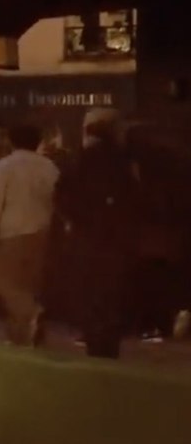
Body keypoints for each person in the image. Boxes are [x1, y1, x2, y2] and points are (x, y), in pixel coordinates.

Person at [56, 119, 141, 359]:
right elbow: (134, 198)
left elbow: (62, 194)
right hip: (116, 239)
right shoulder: (124, 162)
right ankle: (109, 342)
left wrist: (75, 220)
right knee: (111, 292)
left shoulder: (81, 160)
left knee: (89, 289)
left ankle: (94, 339)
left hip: (88, 237)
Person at [0, 124, 59, 346]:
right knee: (28, 286)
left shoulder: (5, 166)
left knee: (4, 281)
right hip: (42, 233)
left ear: (11, 141)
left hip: (11, 233)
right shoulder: (50, 167)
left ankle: (31, 314)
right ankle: (21, 336)